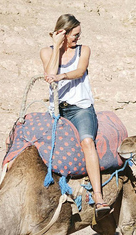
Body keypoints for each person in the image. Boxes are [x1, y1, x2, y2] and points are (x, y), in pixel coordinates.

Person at [40, 14, 110, 217]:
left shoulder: (83, 50)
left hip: (80, 107)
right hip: (57, 109)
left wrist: (61, 76)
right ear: (63, 33)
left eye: (79, 35)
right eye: (74, 35)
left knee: (87, 142)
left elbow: (79, 72)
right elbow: (49, 73)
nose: (77, 38)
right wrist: (56, 45)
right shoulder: (46, 52)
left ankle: (98, 197)